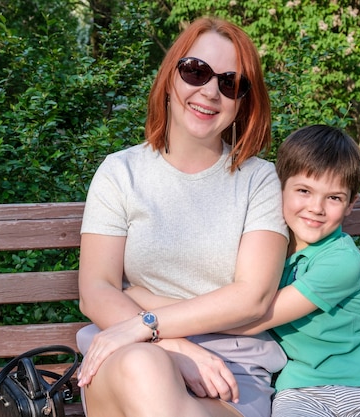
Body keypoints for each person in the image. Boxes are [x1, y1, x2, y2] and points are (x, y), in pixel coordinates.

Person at [75, 16, 289, 417]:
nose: (210, 92)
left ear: (243, 102)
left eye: (230, 83)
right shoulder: (121, 172)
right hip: (132, 354)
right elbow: (96, 288)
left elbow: (253, 296)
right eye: (196, 71)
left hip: (231, 372)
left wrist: (146, 316)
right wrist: (166, 341)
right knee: (144, 367)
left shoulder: (259, 180)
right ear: (170, 77)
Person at [128, 125, 360, 416]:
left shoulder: (341, 260)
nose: (316, 208)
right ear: (278, 187)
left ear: (350, 204)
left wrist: (146, 302)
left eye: (334, 198)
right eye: (304, 191)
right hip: (300, 390)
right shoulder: (265, 249)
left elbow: (251, 318)